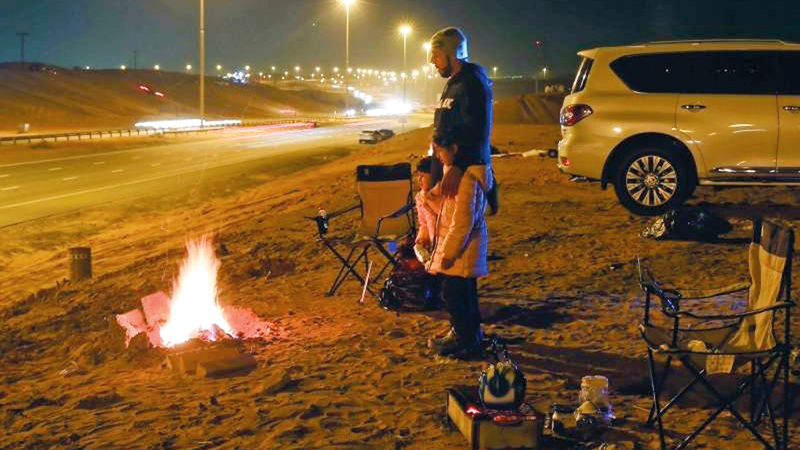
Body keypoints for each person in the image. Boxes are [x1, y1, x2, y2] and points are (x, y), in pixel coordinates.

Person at [427, 137, 492, 359]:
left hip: (463, 251)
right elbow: (445, 211)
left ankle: (465, 340)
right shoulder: (454, 175)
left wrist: (449, 253)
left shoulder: (467, 179)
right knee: (463, 294)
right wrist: (432, 195)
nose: (437, 156)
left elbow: (462, 222)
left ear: (454, 149)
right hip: (460, 247)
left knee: (456, 296)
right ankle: (468, 335)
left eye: (440, 151)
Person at [428, 27, 493, 198]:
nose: (432, 61)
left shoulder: (472, 83)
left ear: (453, 54)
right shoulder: (453, 84)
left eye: (436, 55)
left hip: (465, 175)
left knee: (462, 218)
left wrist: (458, 166)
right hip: (450, 171)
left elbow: (479, 130)